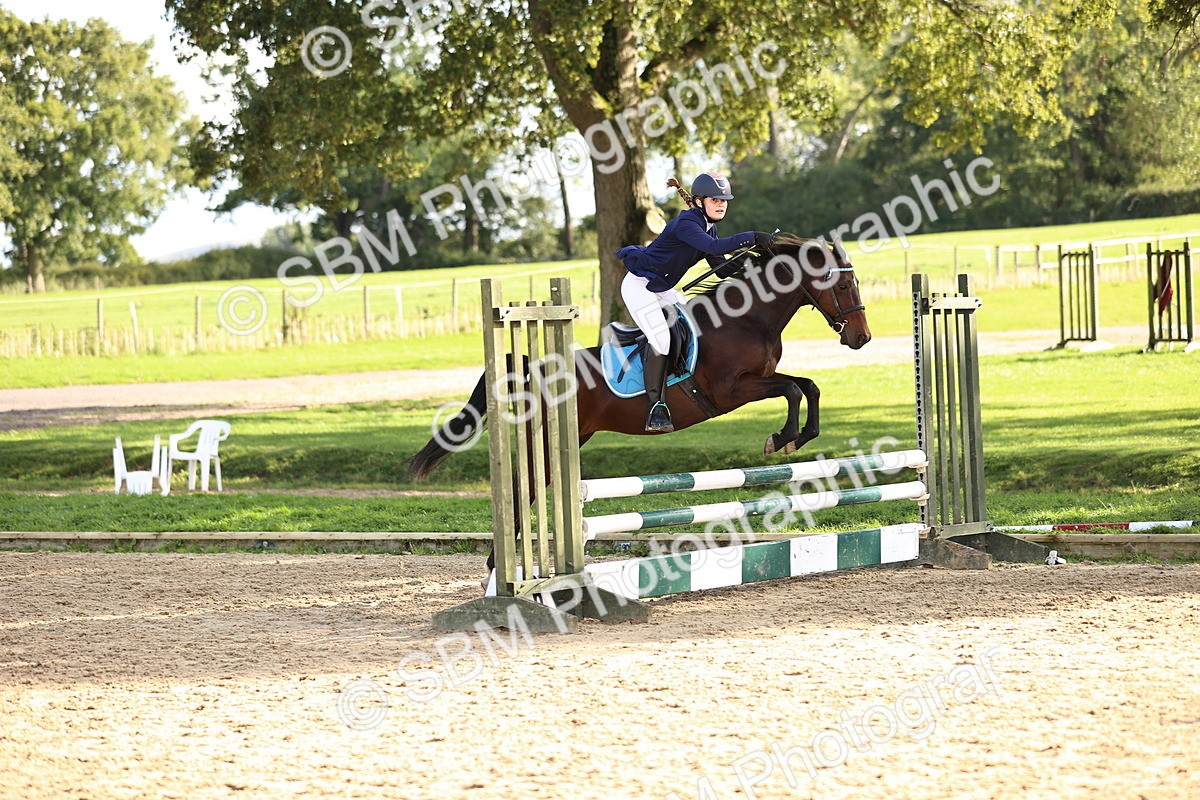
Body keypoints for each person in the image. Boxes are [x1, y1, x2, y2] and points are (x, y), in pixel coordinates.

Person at [616, 172, 774, 433]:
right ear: (700, 201)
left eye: (724, 200)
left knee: (698, 320)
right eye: (715, 200)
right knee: (662, 339)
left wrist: (757, 263)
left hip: (662, 288)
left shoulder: (709, 226)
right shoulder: (687, 223)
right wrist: (752, 236)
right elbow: (713, 248)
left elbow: (720, 268)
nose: (721, 204)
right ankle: (656, 408)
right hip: (640, 287)